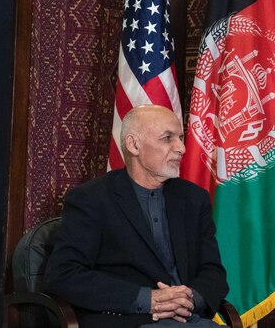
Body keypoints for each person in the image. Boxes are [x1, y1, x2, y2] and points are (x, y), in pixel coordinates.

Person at [45, 105, 228, 328]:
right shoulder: (91, 199)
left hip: (190, 319)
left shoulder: (193, 198)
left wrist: (189, 299)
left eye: (180, 138)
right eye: (168, 138)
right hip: (127, 320)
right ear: (134, 145)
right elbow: (64, 274)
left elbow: (213, 271)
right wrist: (147, 300)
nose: (181, 148)